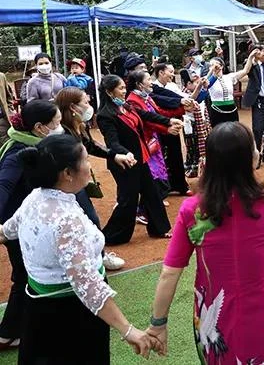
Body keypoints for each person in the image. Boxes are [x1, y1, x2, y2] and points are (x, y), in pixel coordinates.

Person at [146, 122, 264, 364]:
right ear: (251, 158)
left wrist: (158, 324)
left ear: (209, 162)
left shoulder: (193, 211)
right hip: (263, 316)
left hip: (211, 328)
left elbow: (170, 272)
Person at [0, 135, 155, 362]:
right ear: (67, 173)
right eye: (85, 160)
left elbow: (6, 232)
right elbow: (87, 286)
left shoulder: (35, 198)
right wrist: (128, 330)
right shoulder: (66, 220)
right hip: (71, 315)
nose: (90, 166)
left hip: (38, 310)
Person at [0, 100, 61, 351]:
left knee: (27, 275)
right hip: (17, 226)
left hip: (29, 223)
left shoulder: (31, 142)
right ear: (39, 127)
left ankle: (19, 328)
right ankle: (6, 334)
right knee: (24, 276)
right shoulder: (17, 153)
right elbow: (3, 186)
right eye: (56, 123)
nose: (59, 127)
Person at [56, 87, 133, 269]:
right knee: (86, 220)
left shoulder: (77, 126)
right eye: (86, 102)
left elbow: (90, 145)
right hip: (65, 187)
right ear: (73, 107)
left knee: (89, 219)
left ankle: (98, 256)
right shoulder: (61, 133)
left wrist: (113, 155)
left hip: (76, 184)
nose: (89, 106)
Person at [96, 75, 176, 245]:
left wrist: (169, 121)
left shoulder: (127, 106)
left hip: (141, 158)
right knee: (128, 200)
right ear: (110, 92)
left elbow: (147, 116)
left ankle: (159, 229)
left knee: (152, 194)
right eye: (121, 88)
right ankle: (111, 236)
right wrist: (125, 153)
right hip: (124, 162)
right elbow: (112, 143)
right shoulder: (105, 115)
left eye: (125, 88)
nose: (125, 91)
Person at [126, 70, 186, 208]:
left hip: (153, 140)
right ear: (140, 84)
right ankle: (144, 208)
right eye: (148, 79)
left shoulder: (146, 97)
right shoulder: (133, 101)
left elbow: (159, 113)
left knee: (157, 171)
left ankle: (151, 204)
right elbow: (147, 121)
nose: (151, 82)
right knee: (151, 174)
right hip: (144, 141)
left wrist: (181, 111)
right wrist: (167, 128)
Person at [153, 63, 196, 195]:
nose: (173, 74)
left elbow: (180, 98)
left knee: (176, 154)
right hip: (158, 126)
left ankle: (180, 185)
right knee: (160, 157)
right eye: (170, 72)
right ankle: (163, 187)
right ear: (161, 72)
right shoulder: (152, 88)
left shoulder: (171, 86)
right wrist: (182, 105)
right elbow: (161, 102)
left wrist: (185, 102)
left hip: (174, 125)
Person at [205, 55, 253, 128]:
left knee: (234, 131)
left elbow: (245, 71)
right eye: (211, 65)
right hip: (217, 110)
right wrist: (212, 71)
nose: (214, 66)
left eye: (216, 64)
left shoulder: (229, 77)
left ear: (222, 66)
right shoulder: (208, 80)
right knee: (218, 133)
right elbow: (205, 84)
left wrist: (250, 57)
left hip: (231, 109)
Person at [0, 73, 15, 146]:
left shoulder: (1, 76)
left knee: (6, 144)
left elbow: (9, 94)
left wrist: (9, 108)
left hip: (2, 119)